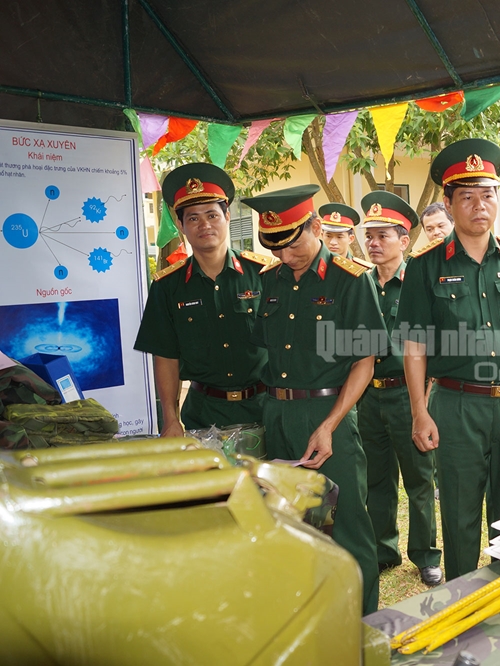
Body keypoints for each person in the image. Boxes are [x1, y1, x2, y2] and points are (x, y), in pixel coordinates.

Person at [397, 138, 500, 580]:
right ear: (448, 204)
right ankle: (460, 602)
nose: (479, 205)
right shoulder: (426, 265)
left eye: (488, 195)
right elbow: (414, 346)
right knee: (461, 515)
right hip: (456, 405)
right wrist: (419, 412)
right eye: (466, 197)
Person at [246, 184, 386, 614]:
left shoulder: (350, 280)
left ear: (316, 226)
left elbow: (365, 360)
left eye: (294, 244)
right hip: (277, 413)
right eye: (276, 248)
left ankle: (364, 627)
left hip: (329, 415)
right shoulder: (268, 281)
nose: (287, 257)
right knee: (289, 523)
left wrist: (329, 424)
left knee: (347, 526)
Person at [134, 163, 273, 436]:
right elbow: (166, 357)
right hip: (203, 415)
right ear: (180, 225)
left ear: (227, 216)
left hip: (265, 409)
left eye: (212, 215)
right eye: (194, 218)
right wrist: (170, 419)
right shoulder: (167, 286)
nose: (204, 225)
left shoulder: (265, 275)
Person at [357, 191, 442, 587]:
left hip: (409, 395)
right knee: (376, 478)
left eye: (383, 237)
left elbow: (434, 347)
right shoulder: (359, 284)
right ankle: (382, 550)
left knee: (419, 479)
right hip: (367, 395)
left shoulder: (421, 281)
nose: (373, 244)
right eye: (369, 236)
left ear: (404, 240)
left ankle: (425, 554)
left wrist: (423, 401)